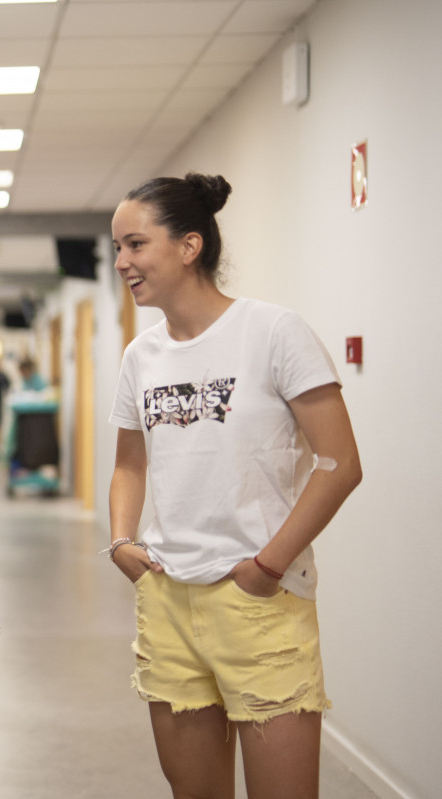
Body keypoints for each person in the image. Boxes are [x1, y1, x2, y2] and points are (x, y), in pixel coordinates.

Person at [107, 172, 361, 799]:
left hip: (259, 600)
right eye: (118, 248)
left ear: (189, 246)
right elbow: (130, 464)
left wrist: (267, 566)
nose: (122, 262)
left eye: (135, 245)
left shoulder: (274, 332)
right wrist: (121, 543)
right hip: (167, 596)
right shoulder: (142, 356)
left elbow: (339, 463)